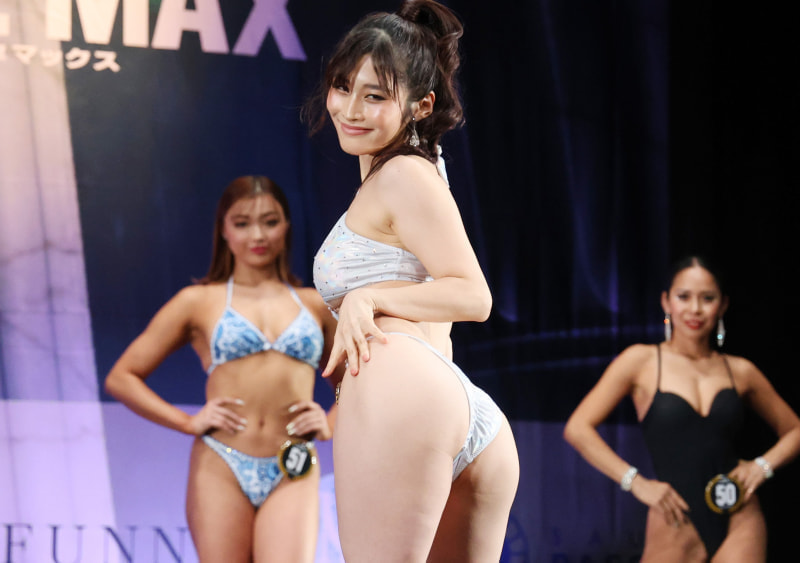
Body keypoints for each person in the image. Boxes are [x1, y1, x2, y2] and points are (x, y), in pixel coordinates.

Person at [304, 1, 519, 560]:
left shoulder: (402, 174)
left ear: (422, 105)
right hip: (452, 408)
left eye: (375, 95)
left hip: (403, 392)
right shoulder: (406, 170)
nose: (350, 109)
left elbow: (473, 295)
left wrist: (366, 296)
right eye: (342, 86)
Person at [104, 175, 340, 562]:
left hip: (293, 462)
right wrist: (187, 422)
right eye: (242, 223)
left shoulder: (316, 304)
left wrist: (330, 422)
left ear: (286, 226)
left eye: (270, 221)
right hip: (222, 462)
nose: (257, 235)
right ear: (224, 230)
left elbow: (354, 383)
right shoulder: (197, 301)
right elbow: (122, 378)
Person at [564, 256, 800, 562]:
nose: (695, 309)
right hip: (675, 515)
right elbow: (578, 428)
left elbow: (795, 429)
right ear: (666, 302)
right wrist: (635, 482)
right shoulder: (641, 361)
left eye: (707, 298)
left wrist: (761, 467)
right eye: (684, 297)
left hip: (739, 513)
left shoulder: (741, 371)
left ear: (723, 305)